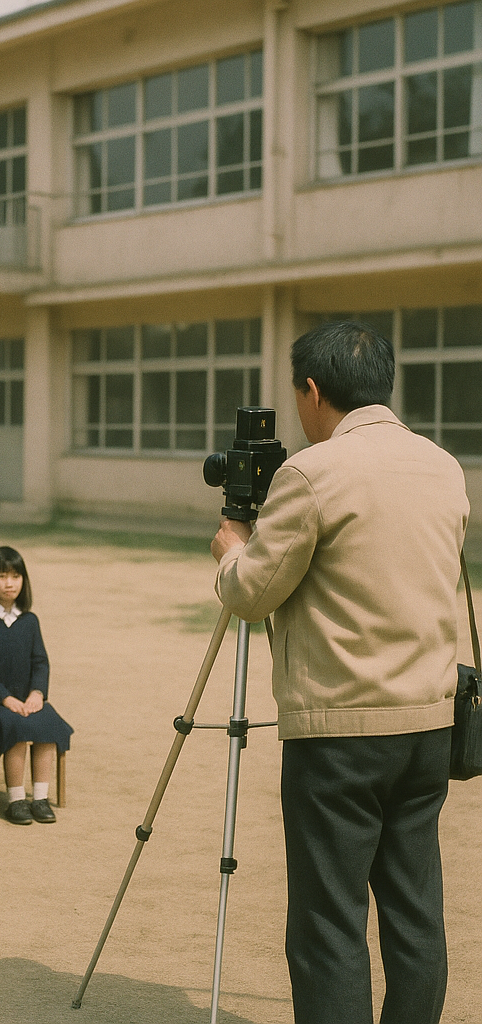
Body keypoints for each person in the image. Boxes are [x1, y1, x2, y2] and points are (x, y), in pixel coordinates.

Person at [210, 320, 469, 1024]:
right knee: (416, 913)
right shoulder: (444, 465)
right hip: (428, 724)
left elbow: (250, 593)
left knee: (329, 922)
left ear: (314, 390)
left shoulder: (314, 471)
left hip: (341, 733)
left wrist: (233, 547)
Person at [0, 546, 72, 825]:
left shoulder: (29, 620)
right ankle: (16, 799)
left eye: (16, 576)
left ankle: (39, 798)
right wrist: (5, 699)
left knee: (47, 726)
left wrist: (37, 694)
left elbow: (40, 661)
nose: (9, 583)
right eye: (2, 576)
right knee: (15, 728)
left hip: (29, 700)